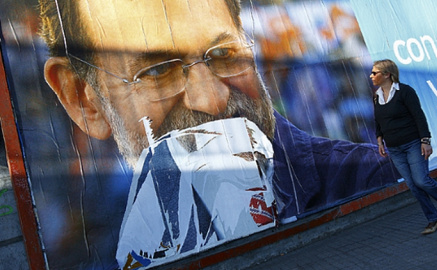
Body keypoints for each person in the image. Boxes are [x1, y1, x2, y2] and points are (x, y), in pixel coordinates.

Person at [37, 0, 399, 268]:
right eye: (158, 71)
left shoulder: (378, 183)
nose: (213, 99)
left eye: (224, 53)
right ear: (84, 100)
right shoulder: (95, 246)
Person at [371, 59, 437, 235]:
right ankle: (434, 219)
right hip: (394, 149)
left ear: (387, 74)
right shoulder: (376, 96)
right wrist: (379, 139)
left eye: (375, 73)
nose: (371, 76)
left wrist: (425, 141)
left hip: (412, 144)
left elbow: (419, 116)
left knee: (421, 180)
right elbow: (379, 120)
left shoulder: (405, 92)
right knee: (413, 186)